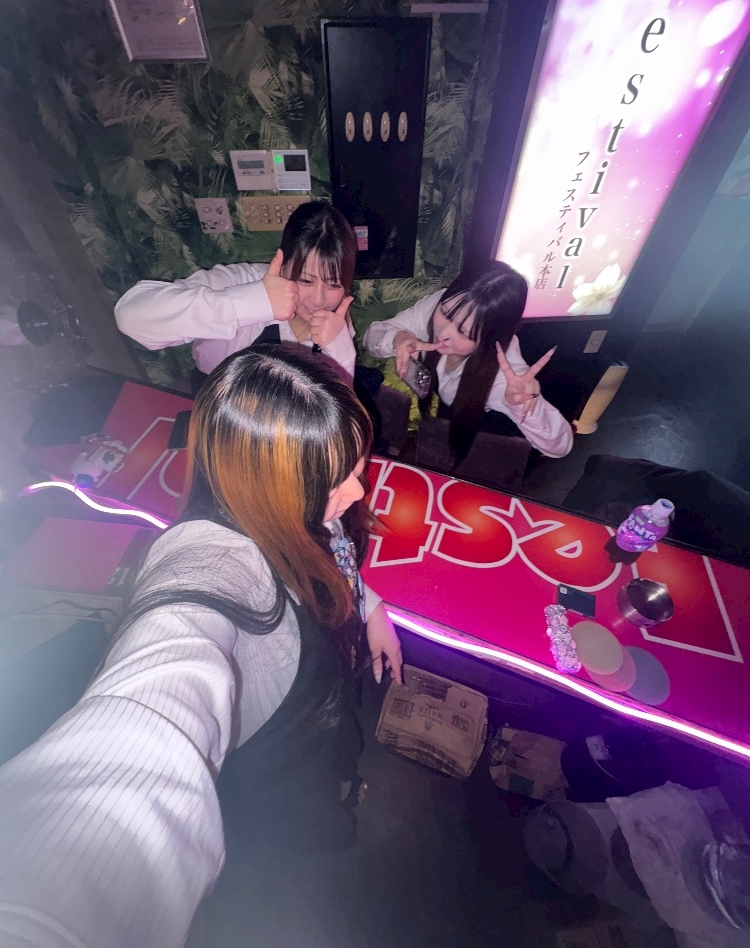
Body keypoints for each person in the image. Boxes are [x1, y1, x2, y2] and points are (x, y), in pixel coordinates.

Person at [0, 344, 402, 948]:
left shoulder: (306, 515)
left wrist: (373, 609)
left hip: (327, 718)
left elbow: (335, 566)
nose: (357, 491)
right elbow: (146, 723)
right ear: (267, 484)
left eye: (356, 468)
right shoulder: (214, 568)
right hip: (278, 799)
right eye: (334, 480)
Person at [115, 201, 359, 384]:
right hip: (219, 401)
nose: (319, 300)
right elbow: (131, 317)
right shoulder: (240, 281)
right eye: (305, 280)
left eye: (334, 284)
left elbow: (340, 403)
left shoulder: (337, 314)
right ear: (283, 261)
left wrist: (340, 349)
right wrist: (250, 303)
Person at [364, 261, 573, 462]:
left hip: (483, 435)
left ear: (490, 338)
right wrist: (398, 338)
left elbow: (561, 446)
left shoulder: (503, 373)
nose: (443, 334)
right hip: (442, 416)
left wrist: (525, 404)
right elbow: (372, 335)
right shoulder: (446, 304)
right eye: (445, 313)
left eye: (463, 333)